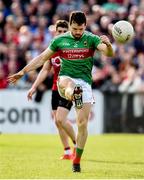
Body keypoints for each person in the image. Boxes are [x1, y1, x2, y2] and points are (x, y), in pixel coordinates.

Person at [8, 11, 114, 173]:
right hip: (65, 79)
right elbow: (42, 58)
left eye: (80, 29)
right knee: (68, 84)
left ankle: (76, 160)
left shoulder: (91, 38)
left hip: (85, 83)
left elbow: (108, 54)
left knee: (82, 124)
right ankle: (73, 94)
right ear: (70, 25)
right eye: (74, 29)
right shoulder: (59, 40)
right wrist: (23, 72)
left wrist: (108, 45)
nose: (78, 32)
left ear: (85, 26)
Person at [27, 20, 76, 160]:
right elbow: (45, 69)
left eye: (63, 31)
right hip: (55, 88)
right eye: (58, 31)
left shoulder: (72, 49)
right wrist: (34, 87)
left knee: (61, 119)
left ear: (68, 32)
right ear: (55, 32)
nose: (60, 34)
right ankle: (67, 151)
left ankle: (77, 145)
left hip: (68, 87)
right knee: (57, 121)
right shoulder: (52, 49)